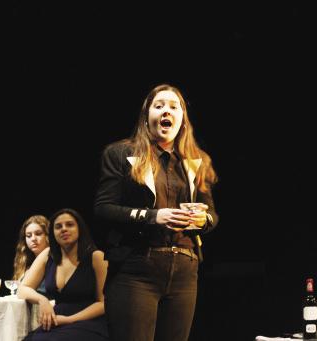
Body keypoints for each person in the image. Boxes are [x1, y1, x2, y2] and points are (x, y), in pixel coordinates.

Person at [94, 83, 219, 341]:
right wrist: (154, 216)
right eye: (159, 105)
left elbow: (212, 216)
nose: (166, 111)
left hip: (185, 267)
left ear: (182, 119)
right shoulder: (121, 153)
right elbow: (103, 209)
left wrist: (201, 219)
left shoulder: (197, 160)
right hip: (137, 267)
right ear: (146, 115)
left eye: (174, 107)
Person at [19, 208, 109, 341]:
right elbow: (22, 289)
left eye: (70, 224)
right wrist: (42, 301)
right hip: (57, 320)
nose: (64, 229)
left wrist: (69, 320)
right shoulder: (48, 255)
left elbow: (104, 303)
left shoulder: (96, 257)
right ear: (53, 233)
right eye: (58, 226)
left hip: (88, 321)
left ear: (80, 229)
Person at [13, 215, 50, 283]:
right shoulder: (25, 264)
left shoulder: (54, 264)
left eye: (38, 234)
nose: (33, 239)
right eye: (29, 236)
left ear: (47, 236)